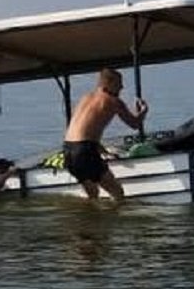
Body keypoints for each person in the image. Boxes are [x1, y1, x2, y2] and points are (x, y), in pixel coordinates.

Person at [62, 68, 148, 201]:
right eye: (119, 83)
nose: (122, 87)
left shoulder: (85, 98)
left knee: (93, 195)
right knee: (117, 193)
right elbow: (134, 123)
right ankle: (115, 221)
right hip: (85, 151)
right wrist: (144, 110)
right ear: (109, 82)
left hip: (68, 150)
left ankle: (88, 221)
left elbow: (84, 130)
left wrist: (102, 150)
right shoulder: (113, 101)